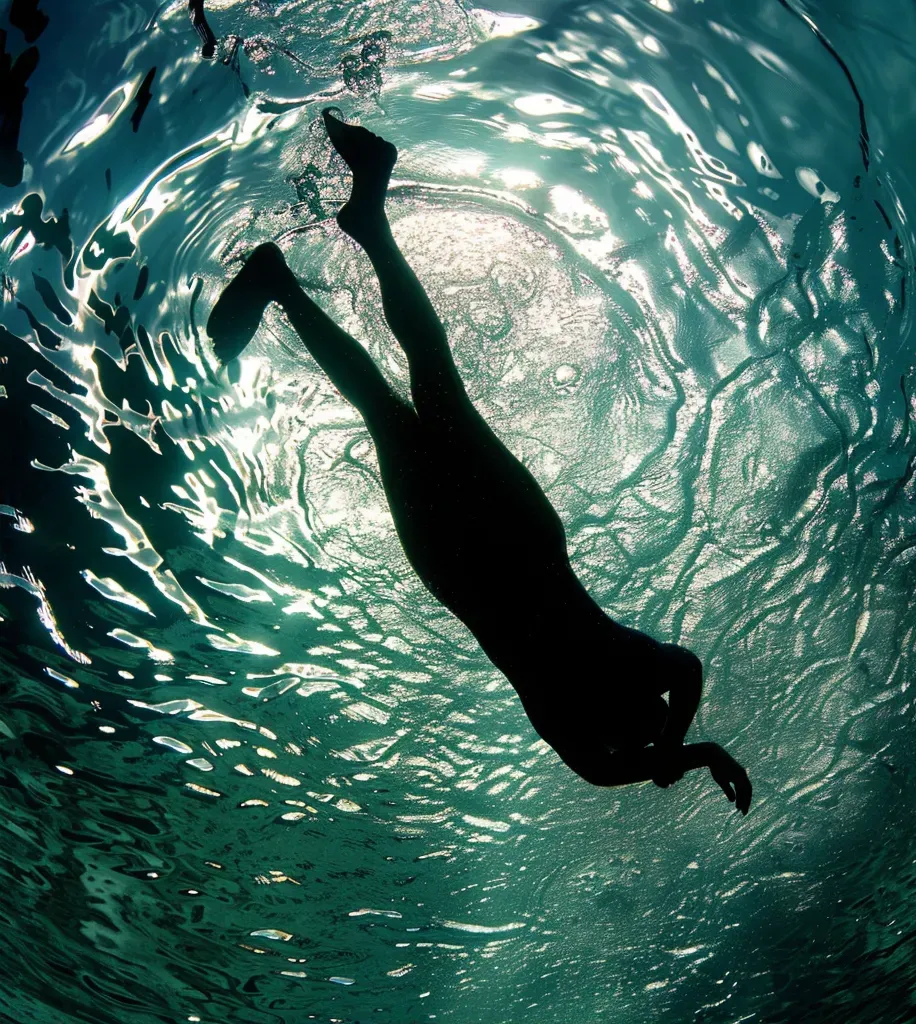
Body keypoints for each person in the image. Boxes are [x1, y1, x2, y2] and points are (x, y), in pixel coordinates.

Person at [207, 112, 752, 813]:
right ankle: (299, 269)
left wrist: (692, 749)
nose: (655, 726)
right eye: (656, 728)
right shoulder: (603, 713)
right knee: (401, 397)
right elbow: (677, 691)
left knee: (424, 383)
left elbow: (681, 683)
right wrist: (687, 751)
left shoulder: (616, 702)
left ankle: (330, 246)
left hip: (495, 543)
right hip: (476, 554)